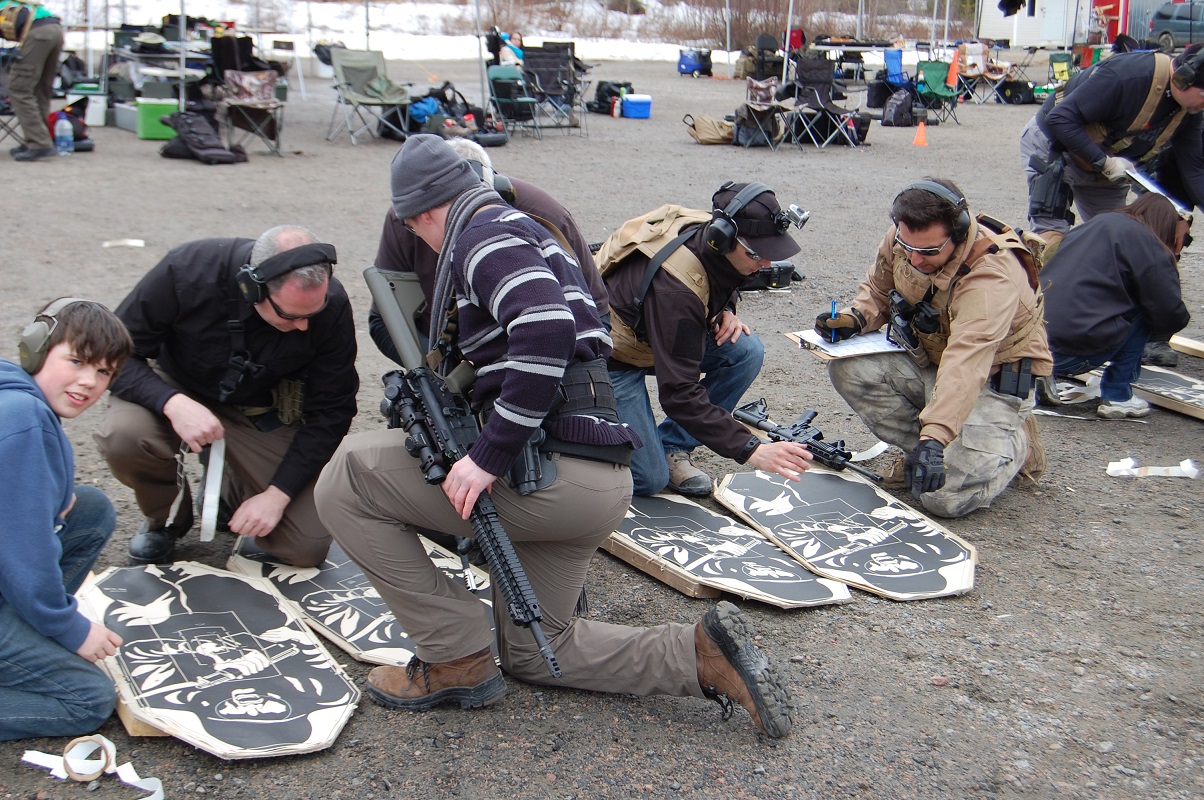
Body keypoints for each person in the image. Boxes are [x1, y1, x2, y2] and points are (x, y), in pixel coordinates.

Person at [314, 135, 793, 739]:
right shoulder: (529, 226)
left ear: (419, 216)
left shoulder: (478, 235)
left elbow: (543, 328)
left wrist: (486, 456)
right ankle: (698, 654)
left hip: (548, 473)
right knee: (541, 651)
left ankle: (454, 656)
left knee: (347, 477)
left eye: (416, 231)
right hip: (598, 479)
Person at [94, 226, 358, 567]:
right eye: (291, 316)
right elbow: (114, 356)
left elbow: (333, 410)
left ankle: (228, 491)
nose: (304, 326)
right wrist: (172, 403)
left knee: (305, 546)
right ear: (253, 288)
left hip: (255, 411)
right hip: (174, 386)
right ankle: (167, 518)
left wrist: (277, 496)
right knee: (124, 436)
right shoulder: (187, 268)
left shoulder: (330, 305)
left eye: (312, 314)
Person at [814, 179, 1052, 518]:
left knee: (944, 500)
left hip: (990, 379)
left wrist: (935, 437)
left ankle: (1013, 446)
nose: (914, 258)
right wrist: (856, 318)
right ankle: (934, 453)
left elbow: (967, 363)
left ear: (958, 232)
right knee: (848, 368)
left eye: (928, 252)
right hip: (934, 363)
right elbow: (879, 289)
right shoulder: (910, 237)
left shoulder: (992, 276)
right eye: (906, 246)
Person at [598, 182, 813, 497]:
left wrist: (726, 308)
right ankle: (578, 427)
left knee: (745, 351)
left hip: (655, 332)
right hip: (614, 356)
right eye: (757, 254)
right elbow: (680, 394)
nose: (766, 264)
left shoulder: (711, 234)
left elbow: (724, 279)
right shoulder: (677, 295)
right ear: (723, 240)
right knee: (649, 479)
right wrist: (750, 449)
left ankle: (672, 445)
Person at [1, 299, 133, 741]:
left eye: (103, 372)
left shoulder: (13, 396)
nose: (88, 382)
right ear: (37, 350)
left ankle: (25, 638)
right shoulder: (22, 420)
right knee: (86, 699)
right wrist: (69, 628)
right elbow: (25, 548)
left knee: (90, 509)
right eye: (76, 361)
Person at [368, 137, 610, 363]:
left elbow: (596, 317)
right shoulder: (408, 217)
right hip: (448, 349)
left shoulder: (546, 215)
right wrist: (437, 377)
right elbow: (383, 320)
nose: (469, 215)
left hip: (539, 358)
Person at [1020, 45, 1204, 243]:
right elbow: (1059, 119)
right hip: (1056, 147)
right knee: (1050, 243)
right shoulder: (1128, 77)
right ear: (1184, 78)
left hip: (1107, 163)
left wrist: (1182, 213)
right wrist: (1103, 162)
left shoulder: (1188, 112)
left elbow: (1194, 170)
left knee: (1117, 242)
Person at [1041, 193, 1191, 419]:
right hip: (1074, 352)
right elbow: (1170, 311)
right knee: (1149, 306)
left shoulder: (1097, 224)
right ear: (1166, 225)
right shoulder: (1150, 243)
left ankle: (1041, 371)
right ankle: (1118, 395)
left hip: (1034, 342)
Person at [1, 0, 64, 162]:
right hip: (55, 30)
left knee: (19, 89)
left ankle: (39, 143)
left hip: (37, 33)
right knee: (39, 90)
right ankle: (40, 139)